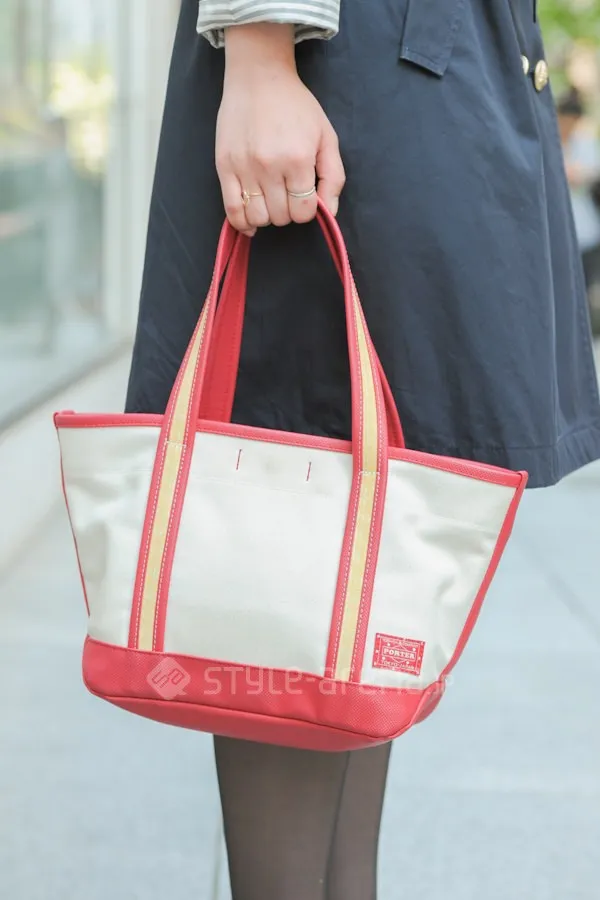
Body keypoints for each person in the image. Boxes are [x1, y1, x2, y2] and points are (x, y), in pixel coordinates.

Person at [125, 2, 600, 898]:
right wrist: (261, 49)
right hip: (332, 66)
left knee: (354, 566)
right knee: (299, 506)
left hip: (428, 66)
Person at [557, 86, 600, 333]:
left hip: (586, 231)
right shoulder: (549, 141)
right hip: (560, 229)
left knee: (584, 288)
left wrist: (579, 174)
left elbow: (592, 172)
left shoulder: (585, 144)